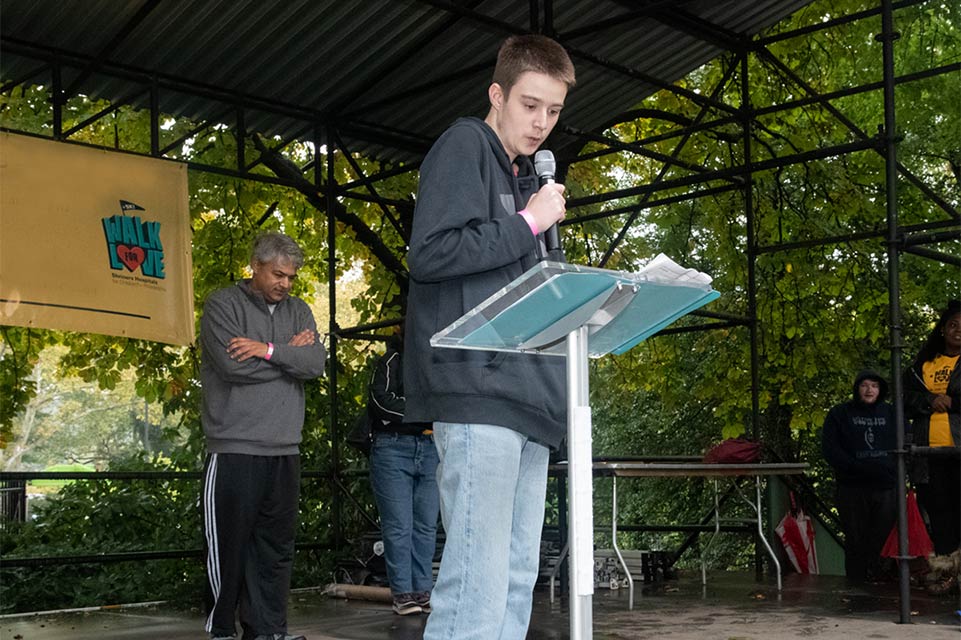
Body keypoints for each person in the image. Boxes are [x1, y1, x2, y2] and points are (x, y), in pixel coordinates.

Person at [403, 34, 575, 640]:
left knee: (514, 574)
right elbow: (430, 253)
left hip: (530, 399)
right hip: (477, 389)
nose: (541, 123)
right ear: (497, 94)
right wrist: (530, 222)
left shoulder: (528, 176)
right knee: (477, 578)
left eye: (553, 111)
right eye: (530, 105)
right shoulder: (464, 146)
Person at [200, 232, 327, 640]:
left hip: (285, 449)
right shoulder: (223, 305)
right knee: (229, 550)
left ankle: (268, 632)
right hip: (234, 447)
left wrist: (268, 350)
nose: (285, 284)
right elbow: (233, 366)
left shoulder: (299, 310)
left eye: (291, 278)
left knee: (274, 552)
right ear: (255, 265)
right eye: (278, 274)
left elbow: (315, 364)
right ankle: (221, 630)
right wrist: (290, 352)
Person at [367, 330, 440, 615]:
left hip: (430, 445)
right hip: (392, 447)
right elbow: (381, 401)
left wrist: (418, 413)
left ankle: (422, 591)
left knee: (426, 524)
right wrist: (423, 412)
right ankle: (403, 594)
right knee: (399, 526)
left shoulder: (434, 360)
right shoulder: (391, 360)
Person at [904, 299, 960, 594]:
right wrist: (929, 400)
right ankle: (945, 575)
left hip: (959, 451)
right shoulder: (923, 364)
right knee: (939, 515)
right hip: (929, 453)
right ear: (942, 329)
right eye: (952, 325)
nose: (958, 331)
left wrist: (954, 402)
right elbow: (904, 398)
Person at [821, 370, 898, 583]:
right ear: (857, 388)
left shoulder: (892, 413)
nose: (869, 390)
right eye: (865, 385)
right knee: (855, 539)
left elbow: (905, 444)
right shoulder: (840, 414)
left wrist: (894, 470)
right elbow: (830, 449)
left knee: (883, 538)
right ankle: (855, 585)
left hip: (886, 486)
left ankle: (881, 581)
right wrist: (854, 467)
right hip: (852, 487)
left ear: (880, 389)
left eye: (874, 385)